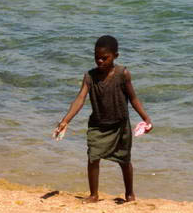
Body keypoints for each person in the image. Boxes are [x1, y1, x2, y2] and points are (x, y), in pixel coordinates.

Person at [54, 35, 153, 203]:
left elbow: (134, 99)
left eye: (104, 58)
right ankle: (93, 195)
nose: (100, 61)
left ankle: (129, 194)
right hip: (98, 125)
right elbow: (80, 99)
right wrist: (65, 121)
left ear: (115, 56)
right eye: (96, 57)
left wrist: (146, 119)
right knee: (93, 157)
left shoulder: (123, 74)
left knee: (124, 160)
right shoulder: (90, 77)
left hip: (120, 125)